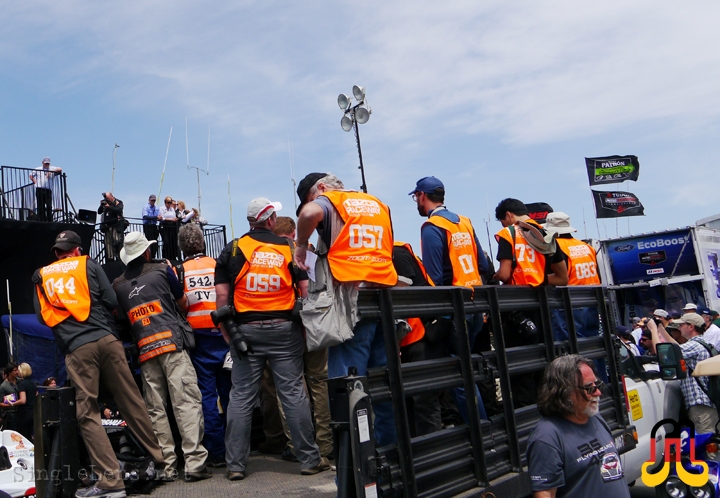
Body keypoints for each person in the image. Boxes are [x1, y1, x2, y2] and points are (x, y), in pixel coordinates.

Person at [32, 229, 164, 498]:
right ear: (77, 250)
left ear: (57, 253)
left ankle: (110, 482)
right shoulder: (89, 264)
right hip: (108, 339)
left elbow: (43, 318)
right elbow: (112, 301)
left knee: (87, 413)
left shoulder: (42, 275)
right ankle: (159, 464)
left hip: (77, 349)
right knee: (132, 400)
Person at [215, 198, 329, 480]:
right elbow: (305, 291)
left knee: (241, 397)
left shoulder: (234, 249)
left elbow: (220, 299)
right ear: (269, 219)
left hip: (245, 333)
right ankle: (310, 460)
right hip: (285, 330)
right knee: (292, 392)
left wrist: (229, 335)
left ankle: (235, 466)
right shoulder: (290, 248)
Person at [294, 173, 399, 446]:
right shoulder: (377, 204)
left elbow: (308, 213)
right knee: (384, 390)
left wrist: (301, 245)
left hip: (350, 308)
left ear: (321, 188)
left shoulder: (331, 201)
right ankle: (389, 466)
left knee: (347, 395)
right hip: (383, 301)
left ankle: (355, 475)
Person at [113, 232, 211, 483]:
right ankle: (194, 464)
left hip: (145, 352)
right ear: (146, 252)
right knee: (186, 402)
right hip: (172, 346)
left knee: (156, 411)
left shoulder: (118, 285)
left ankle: (167, 466)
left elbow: (122, 321)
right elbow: (183, 303)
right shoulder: (162, 270)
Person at [409, 176, 488, 421]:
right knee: (467, 371)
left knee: (459, 376)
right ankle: (481, 430)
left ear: (422, 196)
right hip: (475, 303)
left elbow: (434, 278)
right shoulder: (464, 222)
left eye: (416, 197)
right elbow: (483, 264)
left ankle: (481, 434)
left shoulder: (432, 227)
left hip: (455, 311)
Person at [494, 198, 568, 406]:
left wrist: (496, 275)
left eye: (503, 221)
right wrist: (537, 278)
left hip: (517, 310)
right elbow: (563, 278)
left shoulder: (508, 234)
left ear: (508, 215)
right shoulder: (545, 235)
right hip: (544, 308)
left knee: (520, 372)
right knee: (544, 367)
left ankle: (526, 424)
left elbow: (505, 274)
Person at [270, 215, 333, 460]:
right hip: (315, 324)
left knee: (289, 388)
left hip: (286, 328)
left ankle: (297, 446)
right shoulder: (310, 251)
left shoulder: (271, 253)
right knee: (320, 383)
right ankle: (325, 445)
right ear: (294, 232)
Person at [527, 355, 630, 497]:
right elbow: (545, 493)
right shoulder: (547, 437)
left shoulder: (595, 418)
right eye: (589, 388)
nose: (598, 393)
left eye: (597, 385)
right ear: (564, 392)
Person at [177, 224, 230, 468]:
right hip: (223, 333)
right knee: (232, 394)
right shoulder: (218, 264)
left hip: (198, 339)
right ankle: (237, 448)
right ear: (203, 243)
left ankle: (217, 453)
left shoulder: (180, 271)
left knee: (207, 396)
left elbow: (181, 305)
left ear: (181, 247)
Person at [392, 240, 443, 435]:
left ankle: (431, 451)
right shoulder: (397, 252)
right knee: (413, 399)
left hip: (416, 335)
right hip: (410, 336)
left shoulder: (396, 253)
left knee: (423, 399)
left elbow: (404, 292)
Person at [649, 314, 719, 433]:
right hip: (708, 403)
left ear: (691, 326)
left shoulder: (694, 346)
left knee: (706, 445)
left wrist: (653, 330)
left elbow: (661, 353)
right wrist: (661, 329)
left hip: (701, 407)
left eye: (681, 325)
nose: (679, 328)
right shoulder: (702, 344)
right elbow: (675, 347)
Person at [544, 212, 600, 339]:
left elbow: (558, 276)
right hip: (592, 300)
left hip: (569, 302)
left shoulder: (556, 247)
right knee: (593, 342)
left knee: (571, 346)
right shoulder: (587, 247)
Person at [29, 157, 62, 222]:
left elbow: (60, 169)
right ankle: (42, 220)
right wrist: (35, 182)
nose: (47, 165)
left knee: (49, 206)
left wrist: (51, 172)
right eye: (46, 163)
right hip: (40, 189)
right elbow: (31, 175)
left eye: (48, 163)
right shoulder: (38, 169)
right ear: (43, 163)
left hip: (48, 190)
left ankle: (50, 220)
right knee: (40, 206)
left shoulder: (52, 168)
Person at [98, 192, 125, 262]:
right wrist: (102, 205)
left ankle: (120, 258)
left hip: (116, 226)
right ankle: (110, 259)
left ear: (111, 196)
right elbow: (99, 211)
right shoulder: (105, 203)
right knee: (108, 245)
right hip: (108, 228)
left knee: (118, 242)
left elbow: (119, 210)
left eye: (107, 198)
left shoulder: (118, 202)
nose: (106, 199)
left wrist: (109, 207)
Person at [14, 363, 37, 440]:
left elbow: (23, 400)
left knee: (23, 437)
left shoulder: (22, 384)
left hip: (24, 414)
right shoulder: (33, 383)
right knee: (30, 435)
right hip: (33, 413)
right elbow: (37, 396)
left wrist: (12, 403)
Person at [0, 363, 19, 431]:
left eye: (17, 370)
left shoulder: (19, 381)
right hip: (10, 414)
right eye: (15, 370)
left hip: (21, 412)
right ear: (9, 372)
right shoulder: (3, 386)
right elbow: (0, 403)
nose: (17, 372)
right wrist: (10, 404)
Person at [142, 194, 161, 259]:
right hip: (147, 226)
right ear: (149, 200)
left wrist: (158, 217)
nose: (153, 202)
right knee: (149, 241)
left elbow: (159, 216)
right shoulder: (146, 207)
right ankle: (149, 256)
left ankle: (153, 256)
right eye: (152, 200)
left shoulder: (157, 208)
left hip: (154, 226)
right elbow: (145, 216)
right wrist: (155, 217)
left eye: (154, 200)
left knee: (155, 242)